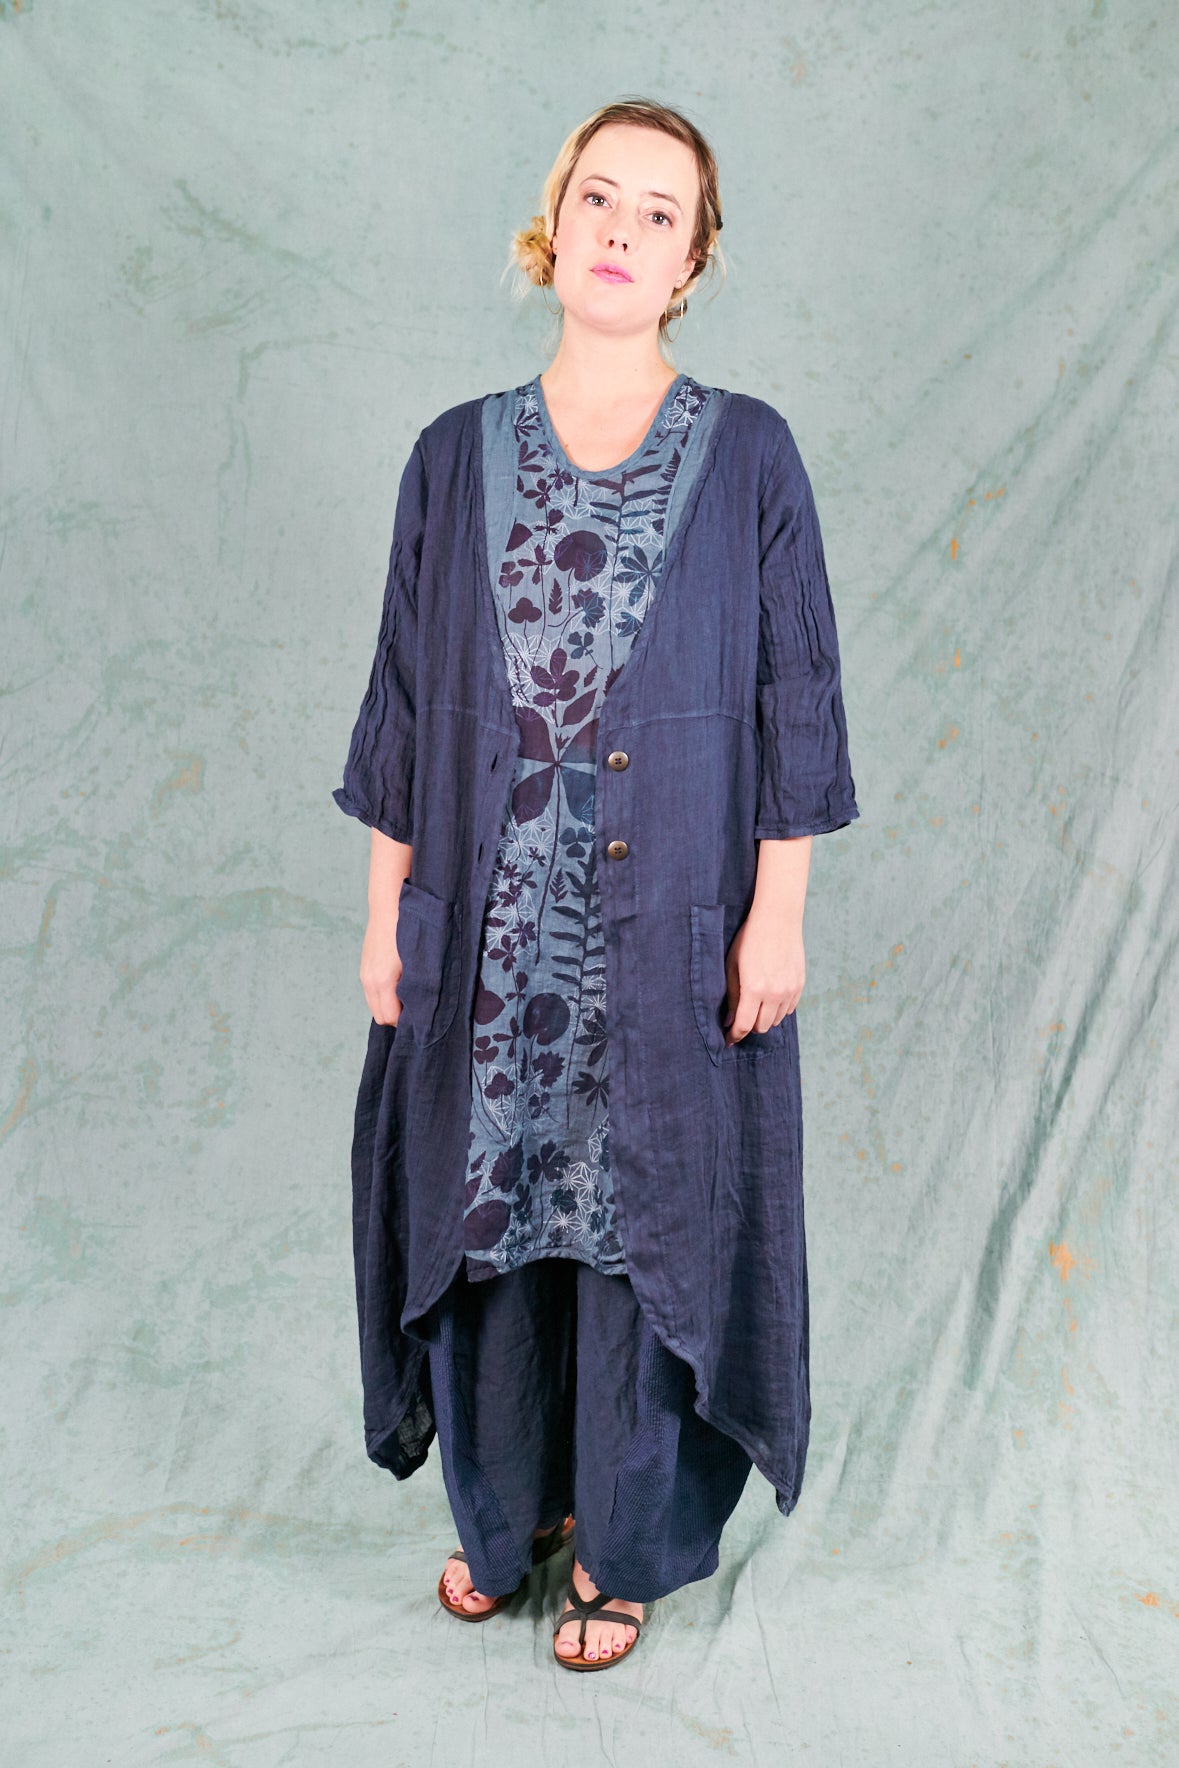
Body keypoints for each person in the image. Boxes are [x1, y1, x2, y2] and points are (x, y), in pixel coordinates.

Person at [333, 97, 860, 1671]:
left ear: (693, 262)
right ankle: (510, 1522)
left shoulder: (751, 455)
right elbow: (402, 701)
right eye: (600, 199)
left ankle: (625, 1547)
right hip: (487, 941)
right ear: (554, 225)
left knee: (642, 1224)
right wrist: (384, 913)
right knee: (492, 1221)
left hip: (669, 933)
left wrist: (780, 914)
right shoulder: (452, 456)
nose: (623, 231)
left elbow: (799, 698)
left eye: (660, 213)